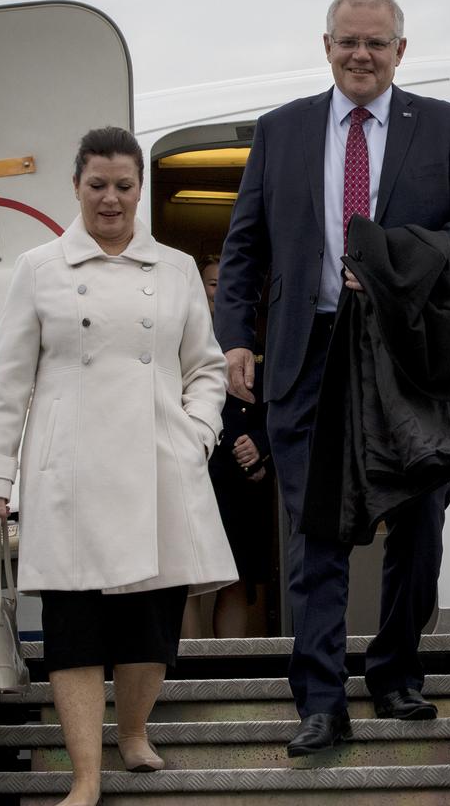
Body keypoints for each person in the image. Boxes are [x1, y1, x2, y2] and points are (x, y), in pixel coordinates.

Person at [214, 0, 450, 755]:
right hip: (307, 357)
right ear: (327, 45)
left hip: (408, 357)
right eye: (348, 42)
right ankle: (319, 699)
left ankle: (398, 674)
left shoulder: (443, 127)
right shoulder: (281, 132)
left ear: (401, 51)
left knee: (421, 522)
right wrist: (236, 338)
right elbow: (243, 248)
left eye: (376, 43)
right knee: (315, 535)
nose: (361, 55)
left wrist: (392, 260)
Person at [0, 126, 237, 806]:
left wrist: (197, 434)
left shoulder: (175, 268)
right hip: (70, 474)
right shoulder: (40, 268)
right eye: (98, 186)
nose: (111, 200)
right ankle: (85, 778)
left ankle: (135, 731)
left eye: (124, 186)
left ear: (139, 189)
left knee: (150, 625)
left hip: (158, 468)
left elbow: (205, 368)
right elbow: (7, 383)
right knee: (75, 630)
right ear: (76, 187)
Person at [182, 255, 273, 638]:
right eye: (212, 283)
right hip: (190, 471)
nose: (219, 290)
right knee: (186, 576)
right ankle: (187, 672)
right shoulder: (178, 339)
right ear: (199, 289)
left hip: (241, 481)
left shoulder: (262, 342)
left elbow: (281, 408)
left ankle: (226, 671)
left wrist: (261, 446)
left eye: (226, 282)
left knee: (237, 576)